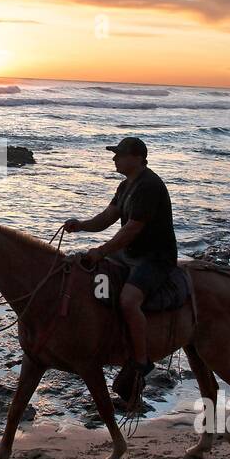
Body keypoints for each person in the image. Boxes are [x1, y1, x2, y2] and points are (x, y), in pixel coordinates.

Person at [63, 137, 178, 408]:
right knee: (86, 270)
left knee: (129, 299)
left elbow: (131, 230)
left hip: (154, 257)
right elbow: (108, 218)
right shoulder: (125, 185)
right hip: (130, 254)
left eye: (120, 155)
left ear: (138, 157)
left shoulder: (149, 186)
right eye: (115, 155)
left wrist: (101, 251)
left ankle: (141, 360)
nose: (114, 159)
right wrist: (81, 226)